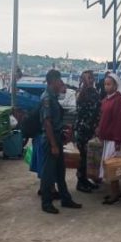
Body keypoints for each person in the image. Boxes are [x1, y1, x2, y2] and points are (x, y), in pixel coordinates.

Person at [40, 69, 82, 214]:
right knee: (48, 173)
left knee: (60, 170)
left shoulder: (53, 96)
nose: (61, 83)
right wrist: (53, 145)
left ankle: (65, 198)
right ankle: (46, 202)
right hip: (50, 140)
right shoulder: (47, 98)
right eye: (59, 81)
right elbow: (47, 123)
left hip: (56, 137)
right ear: (53, 81)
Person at [96, 73, 121, 205]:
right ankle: (117, 191)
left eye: (109, 84)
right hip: (108, 138)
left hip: (115, 139)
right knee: (111, 165)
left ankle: (114, 193)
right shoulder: (107, 99)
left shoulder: (118, 100)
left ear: (115, 86)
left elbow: (119, 121)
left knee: (112, 166)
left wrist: (117, 140)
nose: (106, 87)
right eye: (105, 84)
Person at [74, 70, 101, 193]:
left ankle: (85, 180)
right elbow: (83, 112)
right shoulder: (82, 93)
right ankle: (80, 182)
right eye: (88, 78)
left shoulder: (94, 92)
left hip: (91, 128)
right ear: (83, 80)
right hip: (83, 128)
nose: (91, 80)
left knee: (88, 156)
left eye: (92, 77)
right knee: (82, 157)